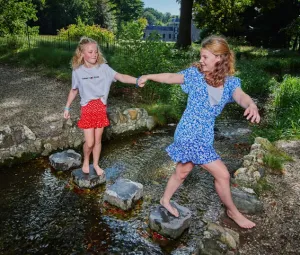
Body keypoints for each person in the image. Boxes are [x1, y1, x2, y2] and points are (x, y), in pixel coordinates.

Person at [138, 35, 260, 229]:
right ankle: (232, 211)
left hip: (204, 136)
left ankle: (165, 200)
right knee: (222, 175)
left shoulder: (230, 83)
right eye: (201, 56)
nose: (201, 60)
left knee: (183, 170)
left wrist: (251, 104)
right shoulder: (195, 75)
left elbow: (241, 96)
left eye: (205, 57)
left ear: (219, 58)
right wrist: (149, 76)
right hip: (188, 133)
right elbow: (171, 77)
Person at [64, 37, 142, 176]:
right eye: (90, 51)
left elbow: (121, 76)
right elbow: (74, 89)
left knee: (98, 140)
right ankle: (86, 160)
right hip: (87, 109)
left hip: (100, 108)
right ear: (82, 54)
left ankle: (95, 164)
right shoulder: (77, 71)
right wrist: (67, 107)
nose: (94, 54)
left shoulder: (104, 68)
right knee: (89, 142)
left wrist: (136, 80)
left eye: (96, 51)